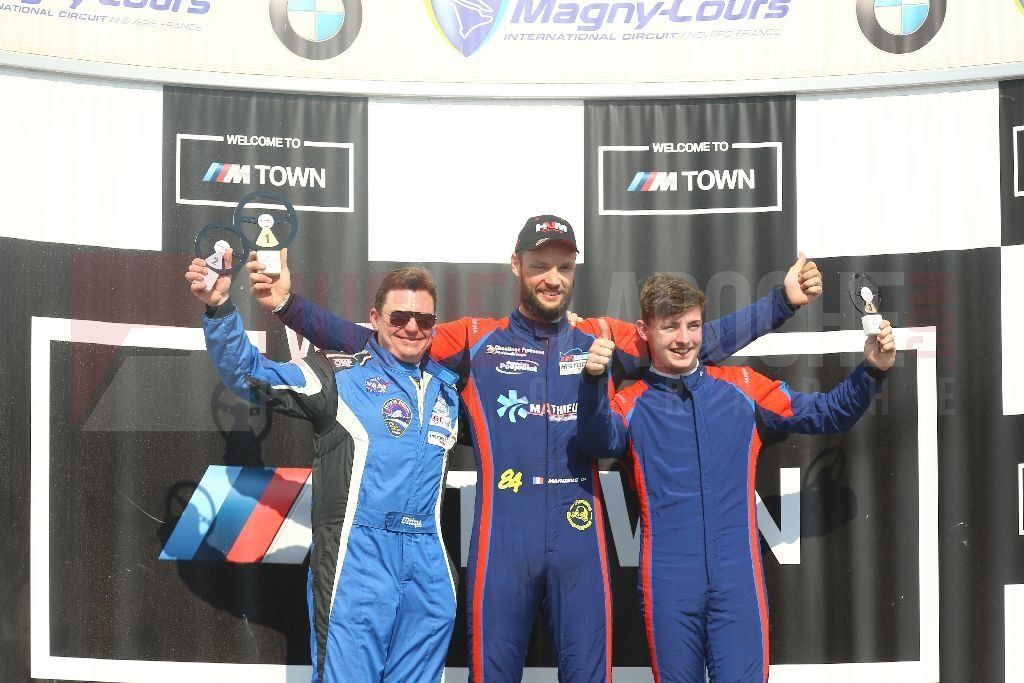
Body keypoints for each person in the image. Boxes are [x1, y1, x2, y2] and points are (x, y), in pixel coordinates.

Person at [247, 215, 822, 682]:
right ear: (516, 265)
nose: (552, 277)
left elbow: (691, 341)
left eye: (563, 267)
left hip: (579, 542)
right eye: (541, 265)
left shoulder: (602, 335)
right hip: (504, 544)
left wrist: (782, 302)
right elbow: (376, 340)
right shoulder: (477, 338)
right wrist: (289, 305)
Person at [577, 273, 895, 683]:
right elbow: (594, 440)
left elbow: (829, 413)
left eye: (693, 325)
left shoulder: (743, 389)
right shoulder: (630, 405)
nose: (684, 339)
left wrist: (872, 370)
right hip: (668, 584)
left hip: (737, 581)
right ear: (644, 331)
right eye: (670, 327)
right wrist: (591, 384)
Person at [185, 254, 460, 683]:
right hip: (358, 558)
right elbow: (249, 373)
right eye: (399, 317)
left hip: (429, 564)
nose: (412, 328)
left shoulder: (448, 391)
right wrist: (219, 308)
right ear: (376, 319)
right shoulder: (338, 378)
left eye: (424, 320)